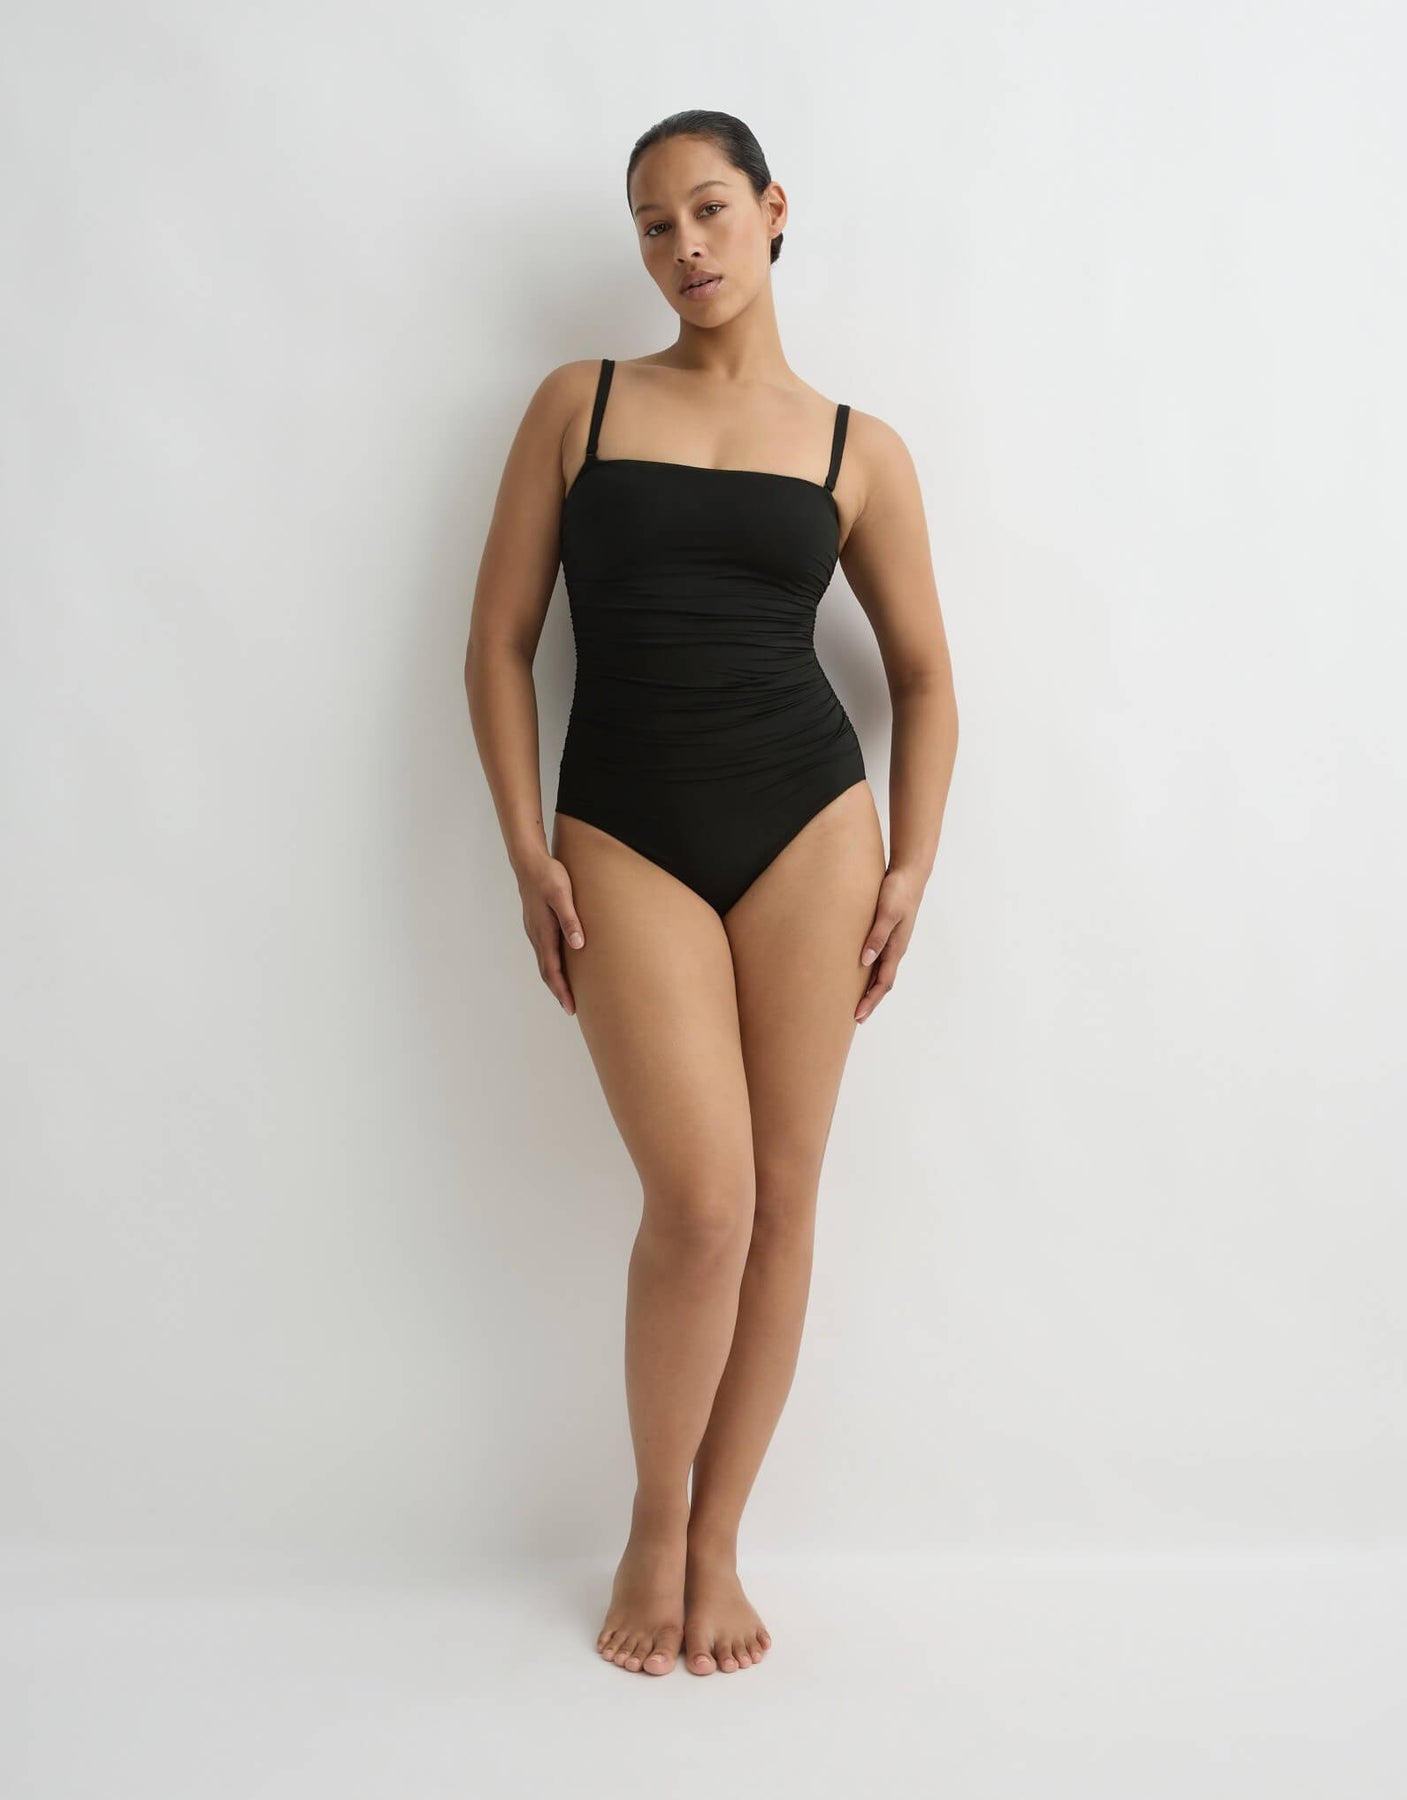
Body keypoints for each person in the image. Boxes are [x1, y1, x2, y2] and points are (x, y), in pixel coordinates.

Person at [464, 110, 958, 1678]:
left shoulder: (857, 447)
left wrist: (913, 860)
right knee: (701, 1205)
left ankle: (721, 1536)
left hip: (811, 827)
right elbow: (497, 644)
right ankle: (652, 1516)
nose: (685, 245)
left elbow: (926, 679)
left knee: (787, 1198)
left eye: (710, 209)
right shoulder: (582, 404)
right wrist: (525, 849)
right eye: (654, 224)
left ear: (772, 210)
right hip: (623, 829)